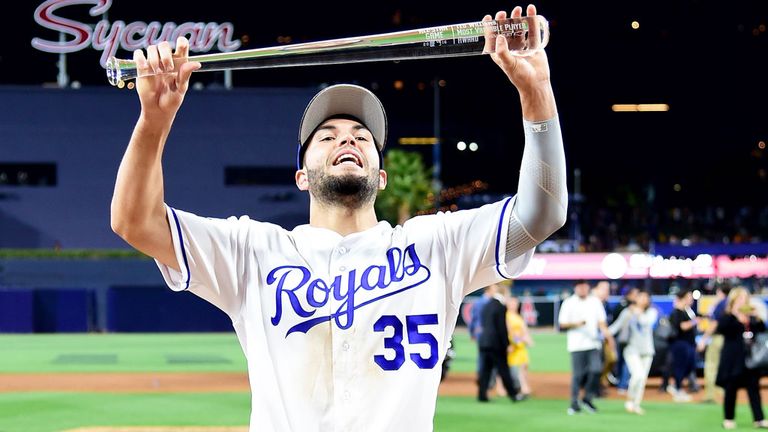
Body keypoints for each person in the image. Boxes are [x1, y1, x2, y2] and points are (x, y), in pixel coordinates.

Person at [109, 5, 566, 431]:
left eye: (361, 136)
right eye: (326, 136)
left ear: (381, 176)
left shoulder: (437, 246)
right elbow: (135, 222)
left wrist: (536, 92)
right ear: (302, 177)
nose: (346, 140)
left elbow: (542, 212)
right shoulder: (252, 250)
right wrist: (154, 121)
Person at [558, 280, 616, 415]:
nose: (582, 289)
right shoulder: (569, 302)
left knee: (596, 370)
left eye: (584, 286)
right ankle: (573, 403)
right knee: (577, 375)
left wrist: (609, 338)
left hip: (593, 343)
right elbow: (562, 324)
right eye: (580, 287)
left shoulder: (594, 302)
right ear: (575, 288)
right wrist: (576, 324)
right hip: (576, 345)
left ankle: (587, 398)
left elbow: (601, 322)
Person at [716, 287, 768, 429]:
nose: (742, 302)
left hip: (750, 361)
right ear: (733, 300)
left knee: (754, 390)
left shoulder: (751, 317)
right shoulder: (727, 316)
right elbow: (721, 329)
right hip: (732, 360)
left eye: (744, 299)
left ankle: (759, 419)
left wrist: (756, 317)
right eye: (739, 299)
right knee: (730, 390)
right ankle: (728, 418)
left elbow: (762, 330)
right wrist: (737, 317)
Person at [608, 289, 657, 415]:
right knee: (638, 375)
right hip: (631, 349)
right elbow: (616, 326)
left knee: (642, 379)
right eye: (640, 297)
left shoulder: (652, 312)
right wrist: (602, 334)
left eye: (645, 297)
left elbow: (646, 322)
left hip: (647, 350)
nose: (643, 299)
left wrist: (638, 313)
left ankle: (636, 404)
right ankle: (630, 400)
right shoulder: (628, 312)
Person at [477, 284, 521, 402]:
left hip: (484, 342)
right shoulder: (500, 307)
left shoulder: (486, 305)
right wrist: (507, 344)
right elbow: (502, 328)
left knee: (485, 370)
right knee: (503, 369)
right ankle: (513, 394)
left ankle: (482, 395)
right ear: (504, 294)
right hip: (496, 344)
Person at [696, 283, 731, 403]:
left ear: (720, 291)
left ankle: (710, 395)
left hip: (718, 338)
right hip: (730, 340)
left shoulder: (720, 304)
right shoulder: (732, 302)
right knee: (725, 366)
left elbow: (714, 324)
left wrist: (703, 340)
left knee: (711, 366)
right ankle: (723, 391)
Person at [667, 289, 699, 402]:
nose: (691, 299)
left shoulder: (687, 311)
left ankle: (677, 386)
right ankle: (676, 387)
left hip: (688, 344)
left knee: (690, 365)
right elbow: (682, 327)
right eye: (689, 296)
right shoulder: (677, 312)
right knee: (680, 367)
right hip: (680, 344)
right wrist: (695, 322)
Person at [612, 286, 639, 393]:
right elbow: (617, 324)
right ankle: (623, 384)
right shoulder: (626, 307)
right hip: (624, 338)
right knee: (626, 362)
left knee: (623, 362)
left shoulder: (625, 305)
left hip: (624, 339)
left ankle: (621, 382)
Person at [506, 295, 533, 399]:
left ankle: (524, 386)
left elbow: (524, 330)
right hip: (513, 344)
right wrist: (514, 342)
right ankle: (522, 388)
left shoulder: (518, 316)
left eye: (515, 303)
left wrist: (528, 340)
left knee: (524, 365)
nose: (514, 305)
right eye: (512, 303)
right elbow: (510, 331)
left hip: (520, 345)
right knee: (511, 367)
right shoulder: (507, 316)